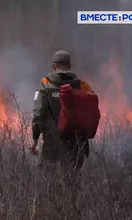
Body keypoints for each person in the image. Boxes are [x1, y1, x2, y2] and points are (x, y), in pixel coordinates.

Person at [30, 50, 94, 181]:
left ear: (54, 66)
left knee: (47, 179)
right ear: (69, 66)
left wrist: (35, 137)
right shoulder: (82, 85)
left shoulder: (45, 84)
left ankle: (51, 202)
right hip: (77, 141)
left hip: (52, 141)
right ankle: (73, 201)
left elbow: (39, 113)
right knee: (73, 179)